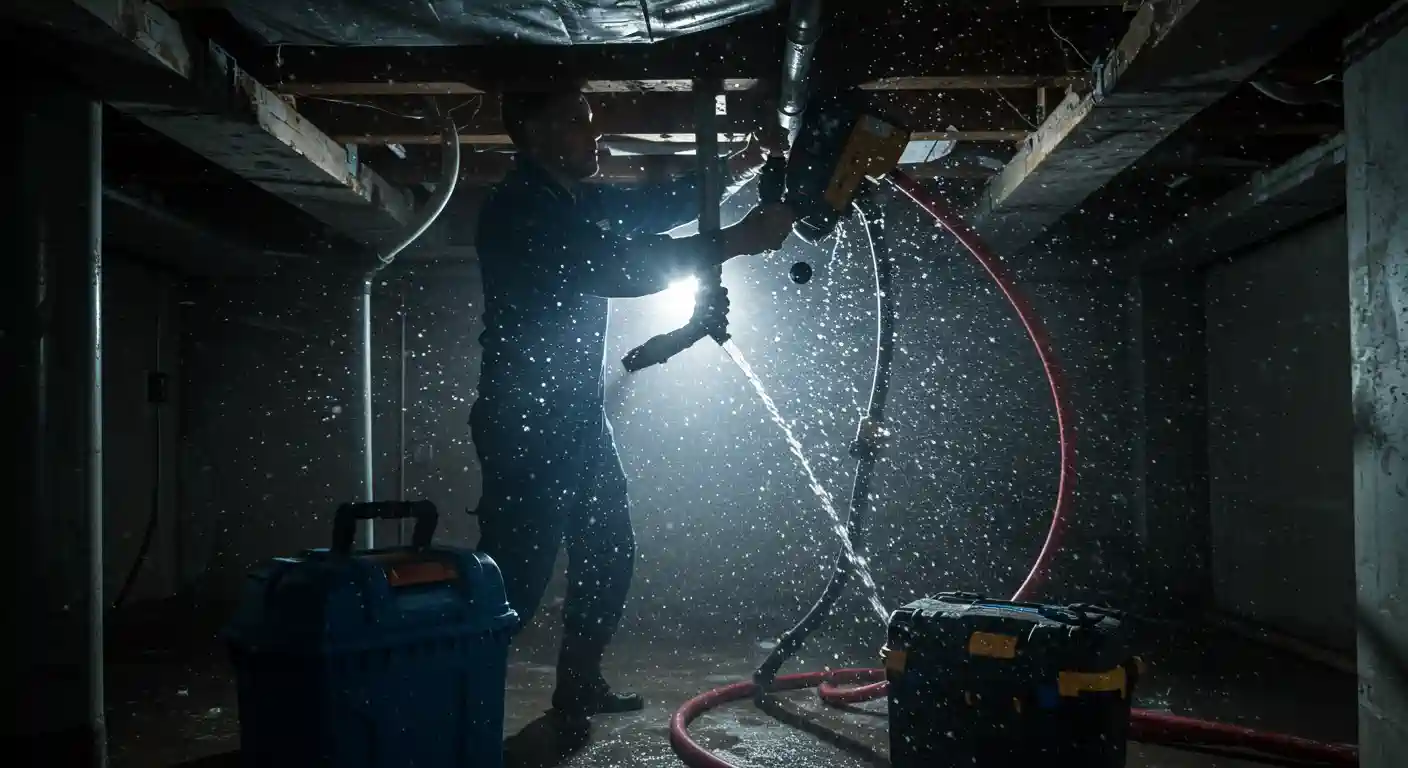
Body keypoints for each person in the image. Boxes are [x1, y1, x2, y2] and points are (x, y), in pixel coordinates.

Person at [471, 86, 793, 720]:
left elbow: (648, 208)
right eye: (575, 120)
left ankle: (578, 682)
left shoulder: (574, 196)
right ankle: (448, 697)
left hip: (572, 414)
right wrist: (734, 240)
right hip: (526, 420)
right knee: (517, 574)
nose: (595, 137)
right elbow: (609, 265)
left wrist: (734, 169)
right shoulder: (519, 210)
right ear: (532, 135)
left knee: (608, 548)